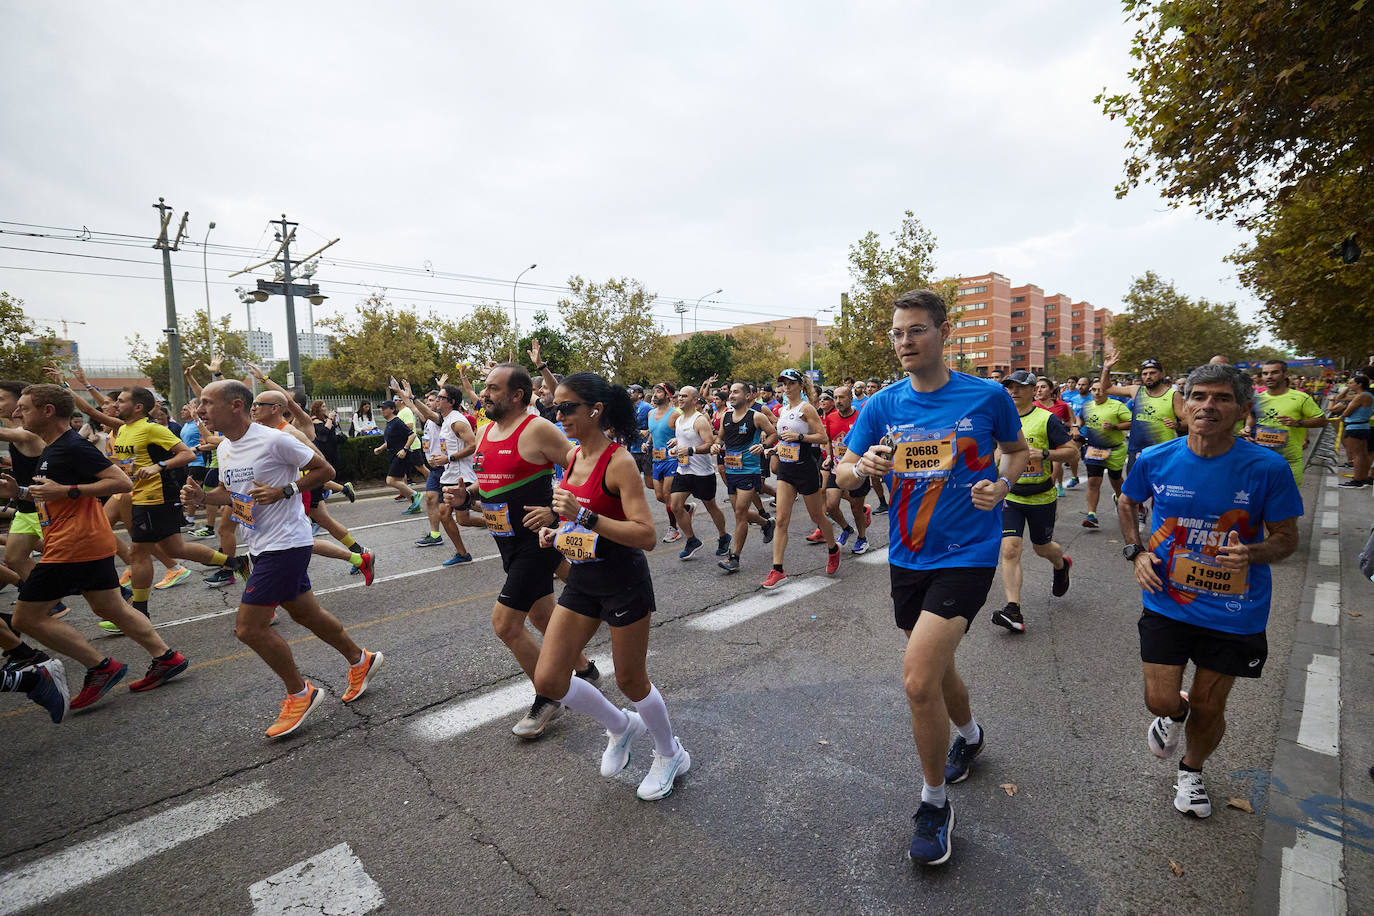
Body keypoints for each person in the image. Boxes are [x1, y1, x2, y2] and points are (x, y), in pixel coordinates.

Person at [834, 288, 1027, 866]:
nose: (904, 342)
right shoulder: (883, 405)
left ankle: (934, 803)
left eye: (915, 330)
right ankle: (969, 738)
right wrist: (860, 467)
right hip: (908, 556)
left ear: (944, 333)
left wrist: (1003, 484)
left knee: (917, 679)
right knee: (937, 668)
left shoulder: (987, 397)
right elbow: (842, 473)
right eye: (897, 333)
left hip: (968, 552)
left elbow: (1016, 453)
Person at [1117, 364, 1301, 818]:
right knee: (1159, 700)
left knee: (1208, 704)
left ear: (1242, 409)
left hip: (1234, 609)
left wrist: (1252, 554)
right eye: (1198, 396)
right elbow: (1127, 501)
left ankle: (1192, 770)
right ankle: (1171, 715)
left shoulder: (1267, 468)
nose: (1207, 406)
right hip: (1166, 599)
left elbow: (1286, 537)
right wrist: (1136, 553)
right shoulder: (1157, 459)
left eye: (1220, 399)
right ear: (1184, 406)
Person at [182, 380, 382, 738]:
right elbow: (228, 495)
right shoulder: (226, 447)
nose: (200, 410)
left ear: (236, 406)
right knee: (307, 614)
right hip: (259, 543)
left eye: (207, 403)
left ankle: (300, 693)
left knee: (249, 628)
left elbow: (325, 471)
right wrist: (201, 499)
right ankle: (360, 659)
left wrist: (285, 490)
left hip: (286, 543)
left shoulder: (274, 439)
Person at [530, 372, 690, 800]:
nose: (557, 414)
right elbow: (575, 518)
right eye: (553, 407)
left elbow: (646, 535)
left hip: (623, 581)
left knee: (631, 680)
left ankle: (669, 752)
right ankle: (620, 726)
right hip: (584, 579)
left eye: (566, 408)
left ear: (594, 411)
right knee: (548, 678)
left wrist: (582, 518)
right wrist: (557, 529)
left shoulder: (618, 462)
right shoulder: (572, 457)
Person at [0, 384, 190, 720]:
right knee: (110, 606)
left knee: (25, 619)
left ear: (47, 411)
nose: (18, 413)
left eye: (25, 408)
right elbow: (53, 493)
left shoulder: (72, 446)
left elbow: (121, 482)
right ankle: (166, 658)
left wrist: (69, 490)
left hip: (74, 544)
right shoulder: (53, 447)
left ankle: (99, 667)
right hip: (82, 540)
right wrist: (23, 491)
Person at [466, 362, 597, 739]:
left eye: (492, 388)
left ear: (516, 395)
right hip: (505, 542)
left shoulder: (537, 428)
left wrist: (557, 508)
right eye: (484, 387)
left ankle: (550, 695)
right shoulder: (487, 430)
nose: (484, 393)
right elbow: (491, 479)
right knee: (542, 616)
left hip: (536, 541)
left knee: (506, 624)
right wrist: (468, 494)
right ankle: (585, 670)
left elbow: (585, 468)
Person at [993, 371, 1075, 633]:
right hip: (1012, 496)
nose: (1014, 391)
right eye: (1010, 387)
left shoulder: (1046, 419)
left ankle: (1062, 564)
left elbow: (1073, 451)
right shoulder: (1001, 419)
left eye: (1020, 387)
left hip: (1041, 497)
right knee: (1009, 549)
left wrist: (1045, 453)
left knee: (1042, 548)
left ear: (1033, 390)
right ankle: (1013, 610)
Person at [763, 368, 839, 588]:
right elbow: (785, 439)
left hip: (805, 468)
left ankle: (833, 549)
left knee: (818, 517)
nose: (785, 387)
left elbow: (822, 436)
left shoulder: (806, 408)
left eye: (790, 383)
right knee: (782, 519)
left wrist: (799, 436)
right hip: (786, 470)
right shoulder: (783, 409)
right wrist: (775, 449)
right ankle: (778, 570)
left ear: (799, 385)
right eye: (783, 384)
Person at [395, 382, 478, 565]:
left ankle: (503, 524)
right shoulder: (445, 419)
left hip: (460, 475)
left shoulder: (457, 420)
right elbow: (427, 413)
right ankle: (463, 553)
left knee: (462, 519)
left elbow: (473, 445)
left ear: (451, 401)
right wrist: (411, 397)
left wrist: (449, 459)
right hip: (449, 475)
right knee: (446, 514)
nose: (437, 400)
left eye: (441, 397)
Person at [713, 381, 777, 573]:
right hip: (731, 472)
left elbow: (773, 434)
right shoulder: (726, 416)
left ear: (748, 396)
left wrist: (764, 446)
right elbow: (719, 438)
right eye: (730, 392)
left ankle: (734, 558)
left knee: (740, 514)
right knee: (739, 512)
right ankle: (766, 523)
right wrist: (716, 445)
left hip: (749, 471)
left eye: (735, 392)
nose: (731, 395)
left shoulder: (756, 417)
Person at [666, 385, 730, 561]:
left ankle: (724, 536)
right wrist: (676, 447)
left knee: (711, 507)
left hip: (702, 473)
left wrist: (690, 450)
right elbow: (683, 441)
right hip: (683, 470)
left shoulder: (700, 420)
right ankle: (692, 540)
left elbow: (709, 445)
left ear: (695, 400)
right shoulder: (679, 420)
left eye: (685, 396)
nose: (680, 399)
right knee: (675, 506)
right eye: (679, 396)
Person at [1101, 352, 1187, 476]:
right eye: (1145, 374)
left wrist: (1177, 425)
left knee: (1157, 493)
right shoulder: (1136, 390)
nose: (1148, 376)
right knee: (1133, 493)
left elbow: (1189, 421)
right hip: (1136, 451)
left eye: (1152, 373)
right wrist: (1107, 368)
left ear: (1161, 374)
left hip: (1161, 451)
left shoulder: (1173, 395)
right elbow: (1107, 388)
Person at [1246, 360, 1327, 488]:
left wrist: (1298, 423)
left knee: (1288, 502)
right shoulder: (1257, 398)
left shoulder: (1301, 397)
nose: (1269, 376)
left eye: (1274, 372)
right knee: (1260, 502)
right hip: (1260, 459)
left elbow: (1322, 421)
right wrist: (1247, 428)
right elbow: (1252, 416)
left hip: (1289, 461)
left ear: (1286, 374)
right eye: (1265, 373)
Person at [821, 385, 871, 555]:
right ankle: (846, 529)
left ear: (851, 398)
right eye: (835, 398)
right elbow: (828, 440)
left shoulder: (860, 417)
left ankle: (862, 538)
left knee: (856, 508)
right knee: (830, 505)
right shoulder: (831, 417)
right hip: (836, 468)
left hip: (857, 470)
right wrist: (828, 455)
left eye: (842, 397)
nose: (838, 401)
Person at [1076, 380, 1132, 529]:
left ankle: (1120, 499)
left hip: (1114, 449)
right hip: (1094, 449)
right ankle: (1091, 515)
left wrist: (1115, 426)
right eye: (1094, 390)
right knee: (1093, 481)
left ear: (1107, 391)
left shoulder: (1117, 405)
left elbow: (1132, 422)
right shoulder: (1087, 406)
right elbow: (1080, 418)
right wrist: (1077, 426)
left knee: (1115, 478)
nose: (1097, 392)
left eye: (1100, 389)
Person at [646, 382, 687, 543]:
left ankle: (674, 529)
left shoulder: (675, 415)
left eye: (659, 392)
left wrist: (677, 439)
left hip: (672, 459)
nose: (655, 394)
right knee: (658, 496)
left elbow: (686, 431)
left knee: (667, 494)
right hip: (657, 459)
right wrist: (647, 442)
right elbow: (653, 431)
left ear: (668, 395)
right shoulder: (650, 414)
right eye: (654, 392)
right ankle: (685, 508)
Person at [373, 400, 423, 510]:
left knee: (390, 480)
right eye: (381, 408)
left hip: (400, 456)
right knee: (400, 482)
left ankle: (415, 494)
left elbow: (412, 435)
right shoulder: (390, 423)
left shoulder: (397, 422)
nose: (382, 410)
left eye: (384, 408)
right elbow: (390, 441)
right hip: (393, 454)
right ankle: (414, 506)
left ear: (392, 409)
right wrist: (380, 448)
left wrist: (404, 449)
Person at [1036, 376, 1076, 495]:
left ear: (1051, 390)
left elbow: (1070, 421)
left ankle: (1053, 488)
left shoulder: (1062, 406)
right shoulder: (1032, 406)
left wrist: (1070, 429)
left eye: (1043, 387)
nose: (1039, 390)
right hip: (1040, 442)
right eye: (1037, 387)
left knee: (1056, 464)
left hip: (1057, 442)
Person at [1333, 374, 1373, 487]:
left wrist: (1342, 417)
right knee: (1362, 454)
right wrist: (1347, 388)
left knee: (1357, 455)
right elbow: (1339, 398)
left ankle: (1358, 480)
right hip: (1360, 426)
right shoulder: (1363, 395)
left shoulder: (1362, 396)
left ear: (1359, 384)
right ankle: (1363, 478)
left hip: (1356, 427)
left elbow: (1348, 411)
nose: (1349, 384)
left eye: (1351, 383)